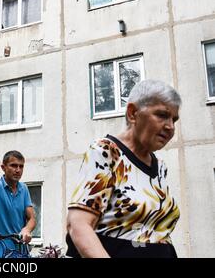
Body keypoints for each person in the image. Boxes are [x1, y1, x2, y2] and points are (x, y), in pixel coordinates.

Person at [66, 79, 181, 258]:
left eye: (174, 119)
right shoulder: (107, 152)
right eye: (162, 115)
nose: (170, 127)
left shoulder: (160, 168)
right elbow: (78, 225)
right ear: (133, 113)